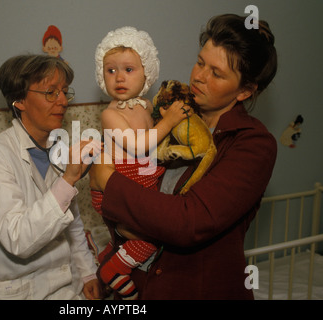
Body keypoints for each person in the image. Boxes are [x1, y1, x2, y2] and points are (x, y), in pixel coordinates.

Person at [89, 14, 278, 299]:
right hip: (143, 286)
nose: (199, 76)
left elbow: (187, 222)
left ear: (245, 90)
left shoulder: (252, 144)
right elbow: (139, 193)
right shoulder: (173, 114)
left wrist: (106, 178)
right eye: (200, 62)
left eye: (217, 73)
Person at [0, 54, 101, 300]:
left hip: (59, 284)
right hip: (8, 288)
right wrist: (68, 180)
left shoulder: (58, 149)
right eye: (51, 92)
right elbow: (18, 239)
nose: (63, 101)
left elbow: (72, 222)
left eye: (64, 92)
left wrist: (87, 271)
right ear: (19, 100)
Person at [90, 26, 190, 299]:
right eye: (111, 70)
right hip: (114, 187)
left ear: (147, 73)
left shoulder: (145, 105)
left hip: (141, 180)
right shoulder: (111, 115)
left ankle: (111, 254)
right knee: (149, 239)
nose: (119, 77)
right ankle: (118, 279)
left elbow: (155, 143)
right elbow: (139, 146)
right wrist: (169, 121)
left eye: (129, 69)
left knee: (135, 233)